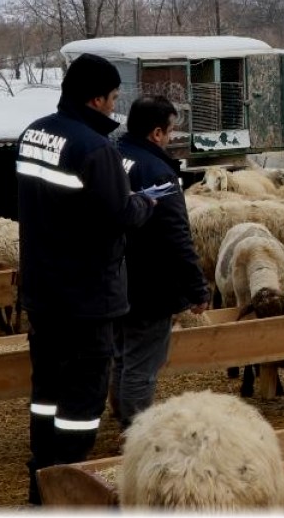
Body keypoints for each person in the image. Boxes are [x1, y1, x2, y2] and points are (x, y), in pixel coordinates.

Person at [16, 53, 155, 505]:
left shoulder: (33, 134)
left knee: (47, 389)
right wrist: (145, 203)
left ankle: (41, 479)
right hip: (86, 295)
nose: (115, 108)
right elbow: (120, 213)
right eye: (114, 98)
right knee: (83, 396)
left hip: (43, 289)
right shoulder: (96, 149)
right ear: (96, 98)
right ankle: (69, 485)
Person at [112, 95, 211, 429]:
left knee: (123, 357)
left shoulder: (115, 157)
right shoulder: (157, 171)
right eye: (169, 131)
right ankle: (136, 433)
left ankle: (122, 417)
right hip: (150, 284)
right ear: (156, 133)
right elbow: (176, 235)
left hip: (117, 277)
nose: (170, 138)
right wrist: (197, 288)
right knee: (142, 365)